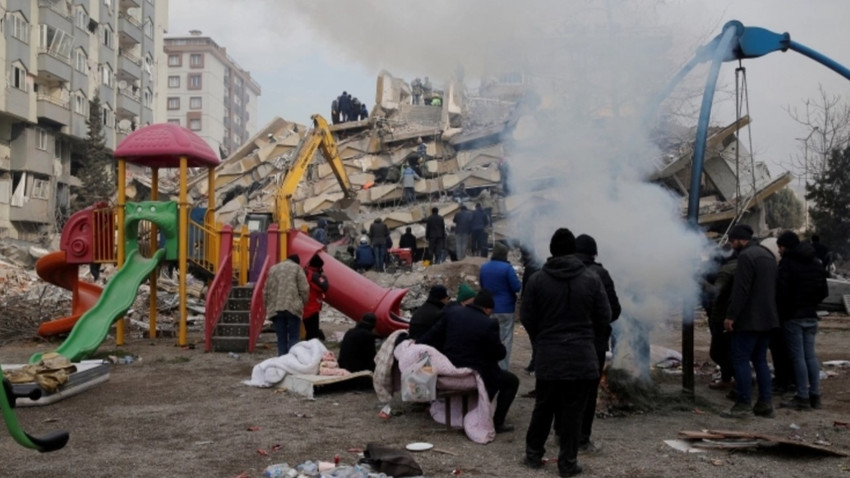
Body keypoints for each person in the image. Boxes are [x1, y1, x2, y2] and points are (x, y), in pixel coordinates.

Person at [521, 228, 611, 477]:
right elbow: (604, 316)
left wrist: (542, 337)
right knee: (573, 412)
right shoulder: (591, 279)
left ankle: (533, 455)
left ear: (551, 251)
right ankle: (568, 464)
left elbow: (527, 317)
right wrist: (587, 335)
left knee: (543, 406)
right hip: (582, 355)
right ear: (573, 251)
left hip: (549, 354)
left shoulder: (537, 280)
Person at [419, 289, 519, 434]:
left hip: (449, 366)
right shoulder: (489, 324)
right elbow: (498, 354)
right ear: (486, 308)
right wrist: (501, 346)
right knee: (511, 381)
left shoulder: (452, 313)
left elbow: (431, 336)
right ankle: (498, 422)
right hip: (474, 371)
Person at [723, 224, 779, 418]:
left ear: (740, 239)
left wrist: (731, 316)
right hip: (768, 318)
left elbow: (741, 290)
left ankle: (743, 404)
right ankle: (765, 404)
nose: (731, 245)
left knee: (740, 361)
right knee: (761, 361)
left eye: (732, 241)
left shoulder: (746, 257)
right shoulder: (768, 256)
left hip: (749, 320)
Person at [574, 234, 621, 453]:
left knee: (564, 389)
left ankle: (560, 432)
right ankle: (582, 439)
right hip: (594, 342)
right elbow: (613, 310)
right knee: (588, 391)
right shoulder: (599, 274)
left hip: (562, 342)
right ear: (594, 253)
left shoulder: (553, 271)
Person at [775, 231, 829, 410]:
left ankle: (802, 397)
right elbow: (824, 291)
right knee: (810, 356)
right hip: (811, 315)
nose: (779, 250)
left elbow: (782, 292)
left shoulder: (787, 263)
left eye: (780, 247)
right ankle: (815, 395)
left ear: (785, 246)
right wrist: (810, 303)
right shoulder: (816, 262)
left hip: (793, 317)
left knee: (797, 358)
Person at [479, 242, 522, 370]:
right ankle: (502, 369)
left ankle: (489, 366)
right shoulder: (507, 268)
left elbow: (482, 286)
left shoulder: (484, 267)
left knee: (490, 338)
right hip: (505, 309)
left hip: (487, 309)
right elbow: (517, 287)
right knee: (505, 339)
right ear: (505, 254)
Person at [263, 254, 310, 356]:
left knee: (281, 338)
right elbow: (304, 289)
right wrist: (303, 303)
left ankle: (282, 361)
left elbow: (265, 290)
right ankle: (292, 361)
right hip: (292, 307)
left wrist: (267, 305)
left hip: (276, 308)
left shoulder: (273, 269)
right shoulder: (297, 268)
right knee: (294, 337)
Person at [707, 247, 737, 393]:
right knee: (729, 350)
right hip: (730, 316)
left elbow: (715, 292)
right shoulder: (740, 266)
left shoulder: (726, 271)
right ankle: (731, 378)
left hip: (722, 317)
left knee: (718, 352)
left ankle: (735, 378)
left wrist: (698, 280)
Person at [520, 246, 541, 376]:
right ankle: (535, 364)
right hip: (541, 309)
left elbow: (525, 289)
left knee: (535, 341)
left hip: (533, 310)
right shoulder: (540, 267)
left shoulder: (531, 268)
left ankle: (535, 365)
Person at [303, 254, 330, 341]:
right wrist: (324, 277)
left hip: (305, 306)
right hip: (312, 307)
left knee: (309, 332)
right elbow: (324, 286)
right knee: (312, 334)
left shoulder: (305, 272)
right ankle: (311, 351)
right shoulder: (313, 275)